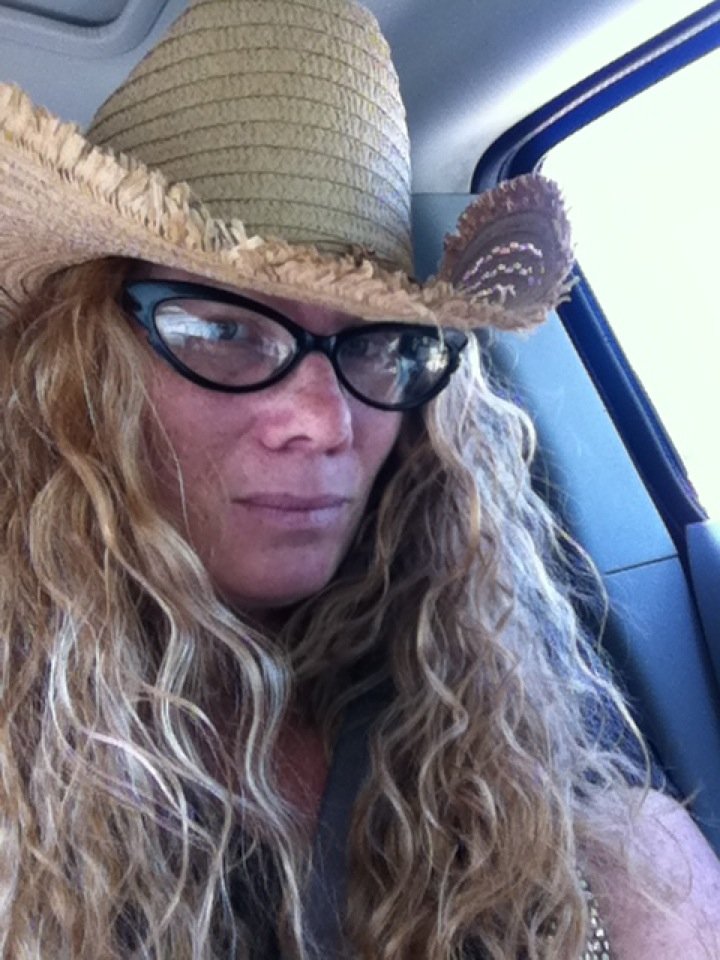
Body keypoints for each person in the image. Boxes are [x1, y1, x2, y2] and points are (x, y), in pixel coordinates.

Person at [0, 1, 718, 958]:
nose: (326, 420)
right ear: (81, 370)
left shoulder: (549, 791)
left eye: (378, 345)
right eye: (222, 330)